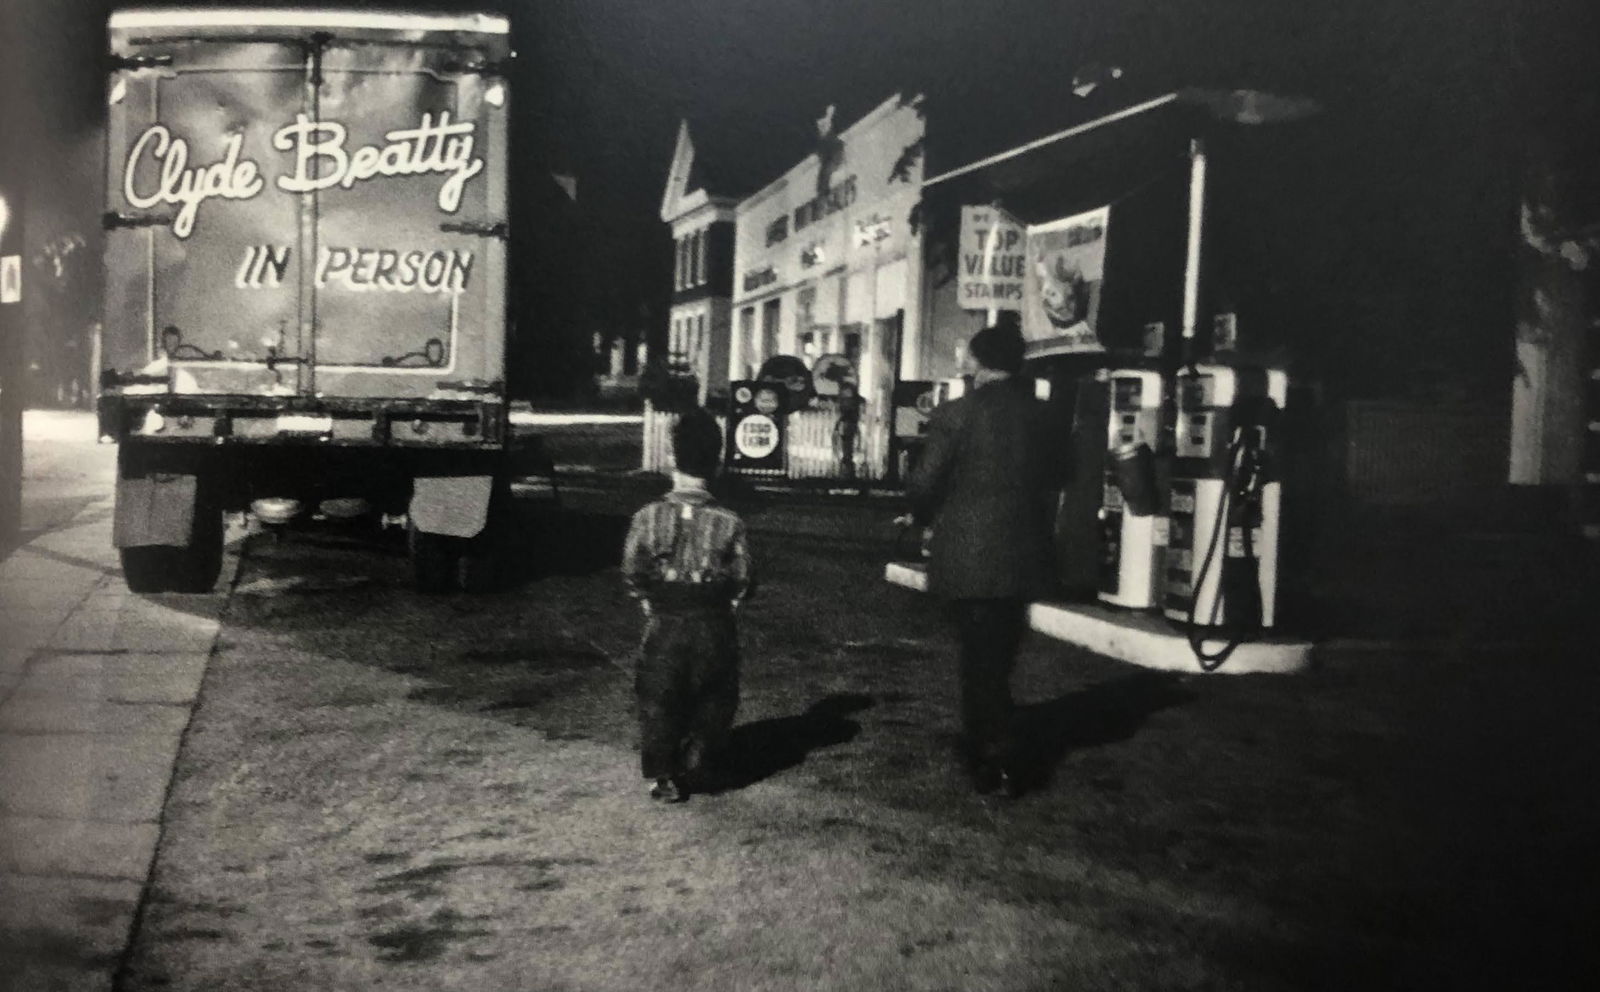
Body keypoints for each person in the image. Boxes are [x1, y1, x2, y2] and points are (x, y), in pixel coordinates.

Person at [906, 319, 1061, 797]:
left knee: (978, 660)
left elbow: (924, 483)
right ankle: (996, 743)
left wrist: (921, 515)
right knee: (1000, 652)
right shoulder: (1043, 416)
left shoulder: (955, 415)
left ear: (978, 362)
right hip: (1023, 553)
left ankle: (994, 755)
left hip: (969, 556)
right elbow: (1063, 473)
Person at [621, 408, 752, 803]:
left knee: (658, 698)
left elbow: (632, 568)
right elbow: (744, 577)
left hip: (664, 621)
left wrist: (646, 598)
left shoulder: (648, 517)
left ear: (673, 457)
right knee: (715, 695)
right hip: (713, 622)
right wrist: (730, 601)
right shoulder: (730, 522)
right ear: (716, 461)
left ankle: (663, 773)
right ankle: (700, 756)